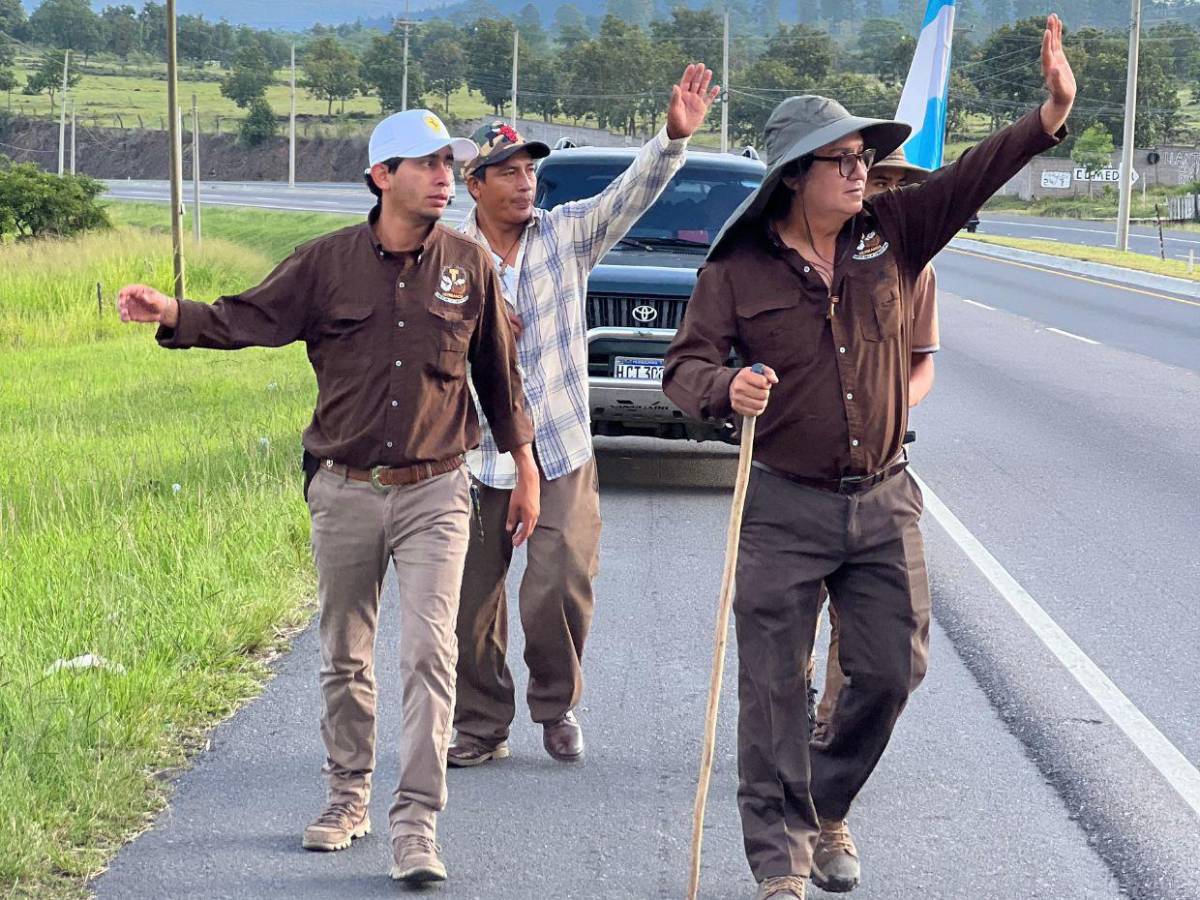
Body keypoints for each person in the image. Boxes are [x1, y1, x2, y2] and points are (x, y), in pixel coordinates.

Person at [663, 17, 1075, 899]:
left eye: (860, 156)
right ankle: (778, 863)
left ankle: (817, 801)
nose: (860, 170)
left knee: (892, 671)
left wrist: (1047, 115)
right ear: (793, 177)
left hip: (884, 501)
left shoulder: (894, 232)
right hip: (782, 505)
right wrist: (722, 390)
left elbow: (972, 177)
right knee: (771, 687)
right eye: (840, 159)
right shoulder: (736, 271)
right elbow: (683, 369)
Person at [116, 109, 540, 886]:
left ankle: (417, 822)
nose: (446, 177)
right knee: (344, 652)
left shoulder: (469, 266)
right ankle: (348, 797)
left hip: (437, 488)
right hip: (344, 488)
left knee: (428, 653)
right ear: (383, 176)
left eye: (451, 162)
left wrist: (526, 469)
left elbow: (499, 377)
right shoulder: (325, 264)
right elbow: (249, 316)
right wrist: (172, 314)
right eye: (428, 163)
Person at [448, 64, 720, 767]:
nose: (523, 181)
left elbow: (632, 195)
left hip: (562, 449)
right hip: (472, 457)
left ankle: (556, 702)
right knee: (467, 601)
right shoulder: (446, 257)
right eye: (504, 172)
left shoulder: (566, 234)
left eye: (528, 169)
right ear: (474, 185)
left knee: (559, 584)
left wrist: (672, 138)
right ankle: (481, 724)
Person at [809, 145, 940, 746]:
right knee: (789, 615)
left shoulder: (916, 265)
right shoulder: (804, 252)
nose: (883, 191)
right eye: (875, 178)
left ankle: (830, 726)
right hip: (800, 469)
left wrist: (884, 403)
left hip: (878, 469)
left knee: (864, 623)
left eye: (895, 183)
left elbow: (921, 366)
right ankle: (789, 706)